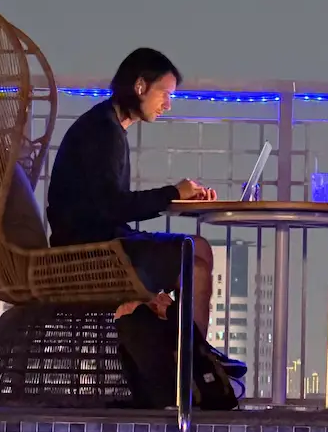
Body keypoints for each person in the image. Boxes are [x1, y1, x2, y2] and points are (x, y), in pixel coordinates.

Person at [47, 48, 216, 338]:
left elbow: (107, 204)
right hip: (90, 253)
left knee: (198, 248)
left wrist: (176, 196)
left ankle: (184, 348)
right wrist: (172, 192)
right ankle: (195, 360)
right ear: (140, 87)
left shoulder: (108, 125)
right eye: (164, 93)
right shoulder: (103, 131)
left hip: (104, 240)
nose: (168, 104)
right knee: (196, 266)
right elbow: (113, 206)